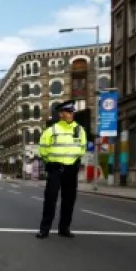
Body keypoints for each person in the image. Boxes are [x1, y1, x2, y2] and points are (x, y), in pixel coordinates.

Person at [36, 100, 87, 239]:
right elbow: (42, 150)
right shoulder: (51, 130)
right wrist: (50, 162)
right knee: (50, 199)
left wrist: (75, 160)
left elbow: (82, 148)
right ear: (61, 114)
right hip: (55, 169)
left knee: (69, 200)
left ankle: (64, 228)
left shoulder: (80, 130)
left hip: (71, 170)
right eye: (68, 112)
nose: (71, 114)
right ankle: (44, 229)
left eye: (72, 112)